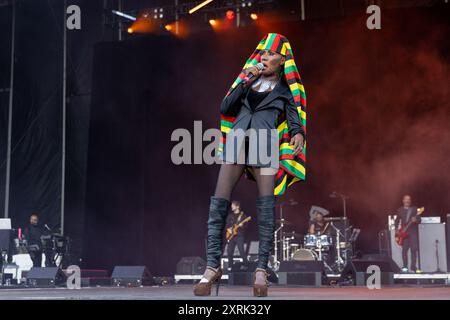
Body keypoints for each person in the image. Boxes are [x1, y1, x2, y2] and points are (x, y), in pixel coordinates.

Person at [194, 33, 307, 297]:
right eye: (262, 54)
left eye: (270, 55)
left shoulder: (286, 90)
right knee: (218, 205)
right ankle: (212, 266)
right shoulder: (247, 80)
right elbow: (226, 106)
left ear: (282, 60)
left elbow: (294, 118)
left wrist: (298, 133)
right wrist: (246, 79)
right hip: (236, 142)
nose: (265, 58)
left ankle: (261, 268)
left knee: (266, 209)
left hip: (265, 145)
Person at [395, 195, 422, 273]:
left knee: (414, 250)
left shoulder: (414, 209)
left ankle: (413, 267)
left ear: (410, 201)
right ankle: (405, 266)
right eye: (406, 199)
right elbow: (396, 221)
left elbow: (419, 220)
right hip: (404, 233)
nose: (407, 201)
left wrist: (415, 220)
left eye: (409, 199)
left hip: (413, 232)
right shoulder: (399, 210)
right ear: (403, 200)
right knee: (404, 250)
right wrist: (397, 232)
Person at [226, 201, 249, 268]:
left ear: (237, 206)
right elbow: (226, 225)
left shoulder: (242, 216)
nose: (231, 207)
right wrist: (228, 229)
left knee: (241, 251)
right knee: (229, 252)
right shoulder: (230, 215)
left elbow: (246, 226)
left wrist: (242, 225)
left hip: (239, 236)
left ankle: (246, 265)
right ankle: (230, 267)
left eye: (233, 206)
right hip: (231, 236)